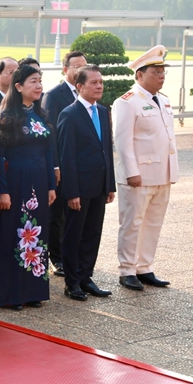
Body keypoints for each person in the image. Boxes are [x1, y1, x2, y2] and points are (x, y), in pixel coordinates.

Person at [112, 45, 178, 291]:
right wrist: (131, 172)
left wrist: (173, 170)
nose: (161, 76)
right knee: (132, 223)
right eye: (155, 71)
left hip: (162, 173)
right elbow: (122, 140)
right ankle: (127, 269)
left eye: (163, 72)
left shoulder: (164, 100)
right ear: (140, 75)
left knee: (153, 223)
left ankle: (145, 267)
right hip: (138, 175)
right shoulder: (127, 102)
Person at [0, 65, 56, 310]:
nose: (39, 86)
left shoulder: (41, 116)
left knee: (37, 235)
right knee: (13, 235)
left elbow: (49, 152)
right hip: (16, 183)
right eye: (33, 81)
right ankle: (11, 295)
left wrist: (51, 185)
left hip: (38, 184)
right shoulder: (5, 118)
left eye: (40, 81)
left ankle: (33, 290)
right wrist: (2, 191)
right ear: (18, 87)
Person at [57, 65, 115, 301]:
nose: (99, 86)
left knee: (93, 233)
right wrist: (71, 192)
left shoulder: (102, 111)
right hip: (78, 188)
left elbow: (106, 150)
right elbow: (66, 156)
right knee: (74, 234)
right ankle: (72, 282)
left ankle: (85, 276)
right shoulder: (69, 114)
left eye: (100, 82)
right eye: (93, 83)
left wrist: (109, 184)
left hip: (99, 186)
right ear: (79, 86)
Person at [44, 51, 88, 278]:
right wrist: (55, 165)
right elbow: (50, 134)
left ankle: (73, 255)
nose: (81, 69)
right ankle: (56, 257)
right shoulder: (54, 95)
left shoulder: (88, 93)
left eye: (84, 65)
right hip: (61, 163)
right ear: (65, 70)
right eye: (76, 66)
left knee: (77, 211)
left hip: (81, 164)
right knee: (58, 212)